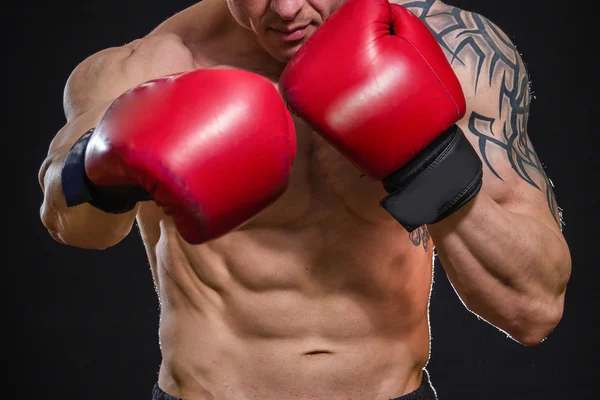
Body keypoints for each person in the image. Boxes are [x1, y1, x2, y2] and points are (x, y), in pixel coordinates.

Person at [38, 0, 572, 398]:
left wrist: (428, 158)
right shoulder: (146, 66)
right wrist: (104, 166)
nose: (287, 9)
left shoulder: (454, 53)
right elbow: (74, 226)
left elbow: (532, 308)